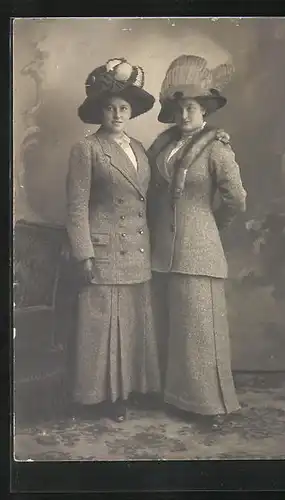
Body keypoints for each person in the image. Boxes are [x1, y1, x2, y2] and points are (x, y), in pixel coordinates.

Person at [147, 55, 247, 430]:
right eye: (179, 108)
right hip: (165, 251)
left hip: (199, 249)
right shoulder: (165, 147)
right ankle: (179, 398)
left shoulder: (217, 148)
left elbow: (236, 198)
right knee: (178, 328)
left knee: (201, 330)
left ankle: (210, 407)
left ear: (204, 109)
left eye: (192, 107)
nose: (185, 114)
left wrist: (210, 225)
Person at [66, 58, 161, 422]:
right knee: (103, 323)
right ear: (99, 111)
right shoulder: (86, 148)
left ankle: (131, 389)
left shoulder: (139, 148)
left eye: (124, 108)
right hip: (104, 250)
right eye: (110, 108)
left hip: (136, 248)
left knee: (134, 321)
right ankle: (100, 397)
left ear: (132, 111)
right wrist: (83, 253)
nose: (117, 114)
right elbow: (76, 206)